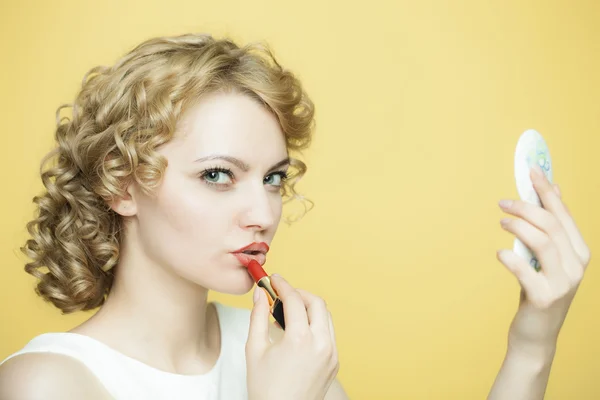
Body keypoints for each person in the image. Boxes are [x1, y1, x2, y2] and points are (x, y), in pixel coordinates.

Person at [0, 33, 591, 400]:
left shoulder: (275, 352)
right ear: (120, 183)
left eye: (273, 178)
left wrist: (533, 341)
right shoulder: (47, 385)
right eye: (216, 175)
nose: (262, 214)